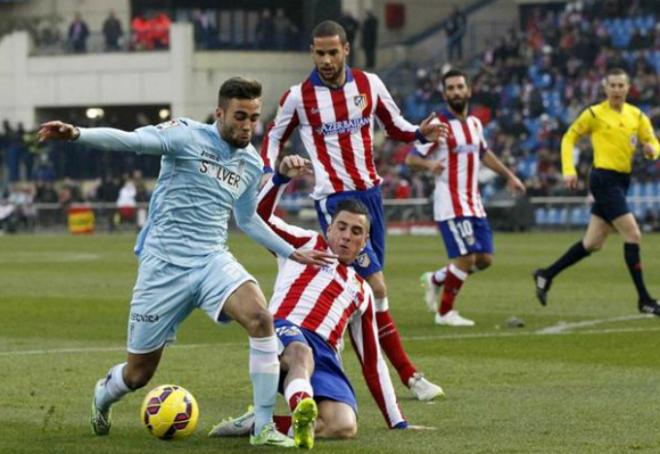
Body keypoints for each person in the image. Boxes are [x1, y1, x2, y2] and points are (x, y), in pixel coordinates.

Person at [37, 77, 334, 447]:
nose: (247, 126)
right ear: (220, 113)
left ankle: (262, 427)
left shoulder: (250, 162)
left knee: (260, 318)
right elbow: (132, 141)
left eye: (254, 118)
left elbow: (247, 219)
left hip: (211, 260)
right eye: (240, 116)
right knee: (138, 373)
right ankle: (103, 394)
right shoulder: (184, 136)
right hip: (163, 267)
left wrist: (291, 250)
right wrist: (78, 134)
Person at [261, 20, 445, 401]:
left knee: (364, 291)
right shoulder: (298, 97)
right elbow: (274, 136)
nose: (326, 60)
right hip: (335, 203)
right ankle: (408, 376)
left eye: (332, 52)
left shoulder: (369, 84)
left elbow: (395, 125)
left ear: (346, 49)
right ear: (312, 52)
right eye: (319, 52)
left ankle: (315, 364)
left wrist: (418, 134)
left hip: (372, 199)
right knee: (374, 286)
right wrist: (268, 169)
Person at [209, 155, 421, 448]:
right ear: (330, 228)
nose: (347, 236)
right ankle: (293, 408)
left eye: (356, 232)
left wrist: (398, 421)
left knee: (342, 425)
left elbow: (372, 362)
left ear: (365, 241)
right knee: (300, 352)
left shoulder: (362, 292)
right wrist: (281, 178)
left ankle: (261, 421)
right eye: (342, 227)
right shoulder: (304, 243)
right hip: (285, 331)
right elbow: (257, 217)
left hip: (326, 356)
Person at [533, 68, 660, 314]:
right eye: (612, 85)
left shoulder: (637, 115)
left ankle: (545, 275)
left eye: (621, 85)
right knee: (633, 235)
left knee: (592, 243)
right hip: (603, 179)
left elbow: (652, 141)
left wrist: (652, 150)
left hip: (622, 181)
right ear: (605, 88)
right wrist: (569, 170)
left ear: (628, 87)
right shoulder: (594, 114)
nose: (616, 90)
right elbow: (569, 137)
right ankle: (644, 300)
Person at [407, 68, 525, 326]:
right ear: (445, 94)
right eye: (451, 88)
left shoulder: (474, 124)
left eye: (460, 87)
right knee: (466, 258)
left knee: (484, 260)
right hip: (450, 203)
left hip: (474, 202)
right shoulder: (439, 125)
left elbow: (484, 154)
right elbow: (411, 158)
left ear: (468, 90)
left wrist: (509, 176)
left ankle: (436, 279)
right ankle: (445, 313)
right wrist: (430, 167)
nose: (456, 92)